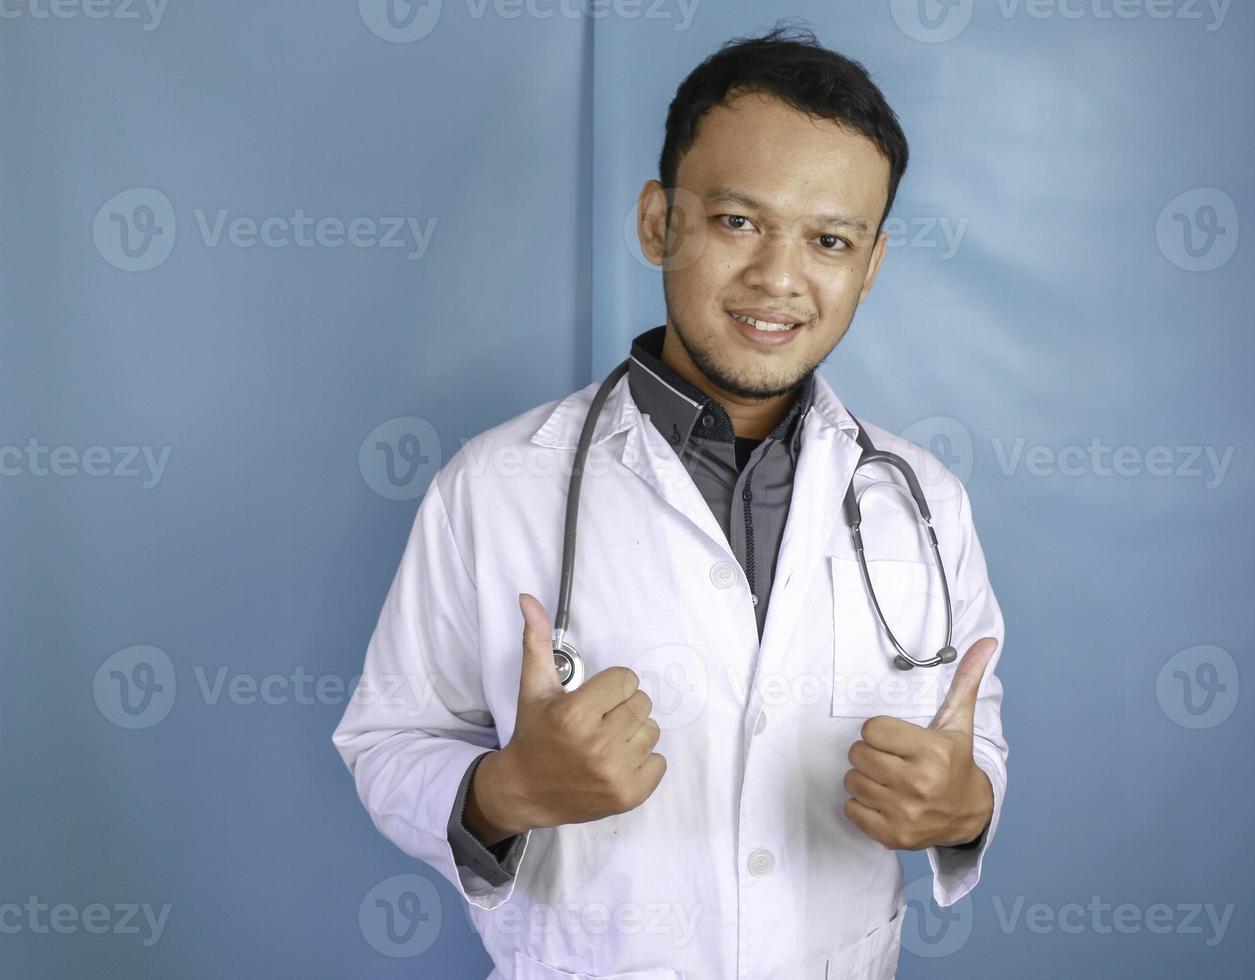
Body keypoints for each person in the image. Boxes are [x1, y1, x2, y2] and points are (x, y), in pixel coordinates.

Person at [332, 23, 1007, 980]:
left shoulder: (923, 501)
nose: (779, 277)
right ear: (660, 223)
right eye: (738, 221)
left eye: (829, 240)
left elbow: (974, 736)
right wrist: (502, 792)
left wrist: (967, 807)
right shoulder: (494, 486)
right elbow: (389, 738)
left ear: (870, 265)